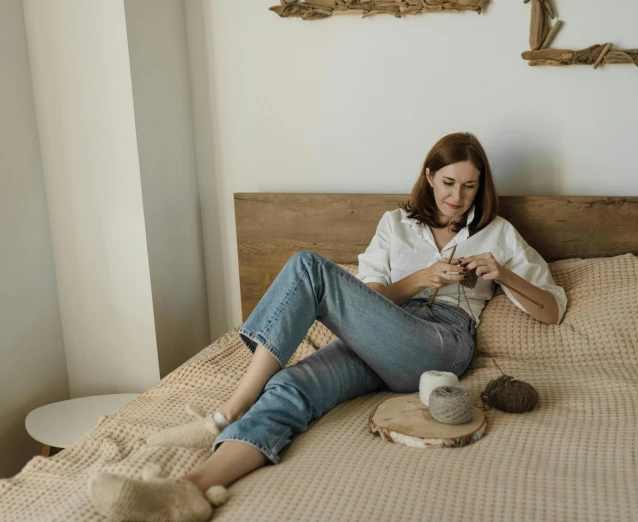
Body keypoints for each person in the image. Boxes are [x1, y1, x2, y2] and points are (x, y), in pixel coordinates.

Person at [87, 132, 568, 522]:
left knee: (308, 267)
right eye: (447, 183)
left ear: (481, 186)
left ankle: (227, 410)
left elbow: (553, 310)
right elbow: (367, 299)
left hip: (439, 343)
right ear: (429, 177)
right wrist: (420, 278)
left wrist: (500, 274)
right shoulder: (395, 224)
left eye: (469, 186)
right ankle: (187, 491)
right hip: (379, 332)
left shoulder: (498, 233)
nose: (457, 197)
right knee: (290, 385)